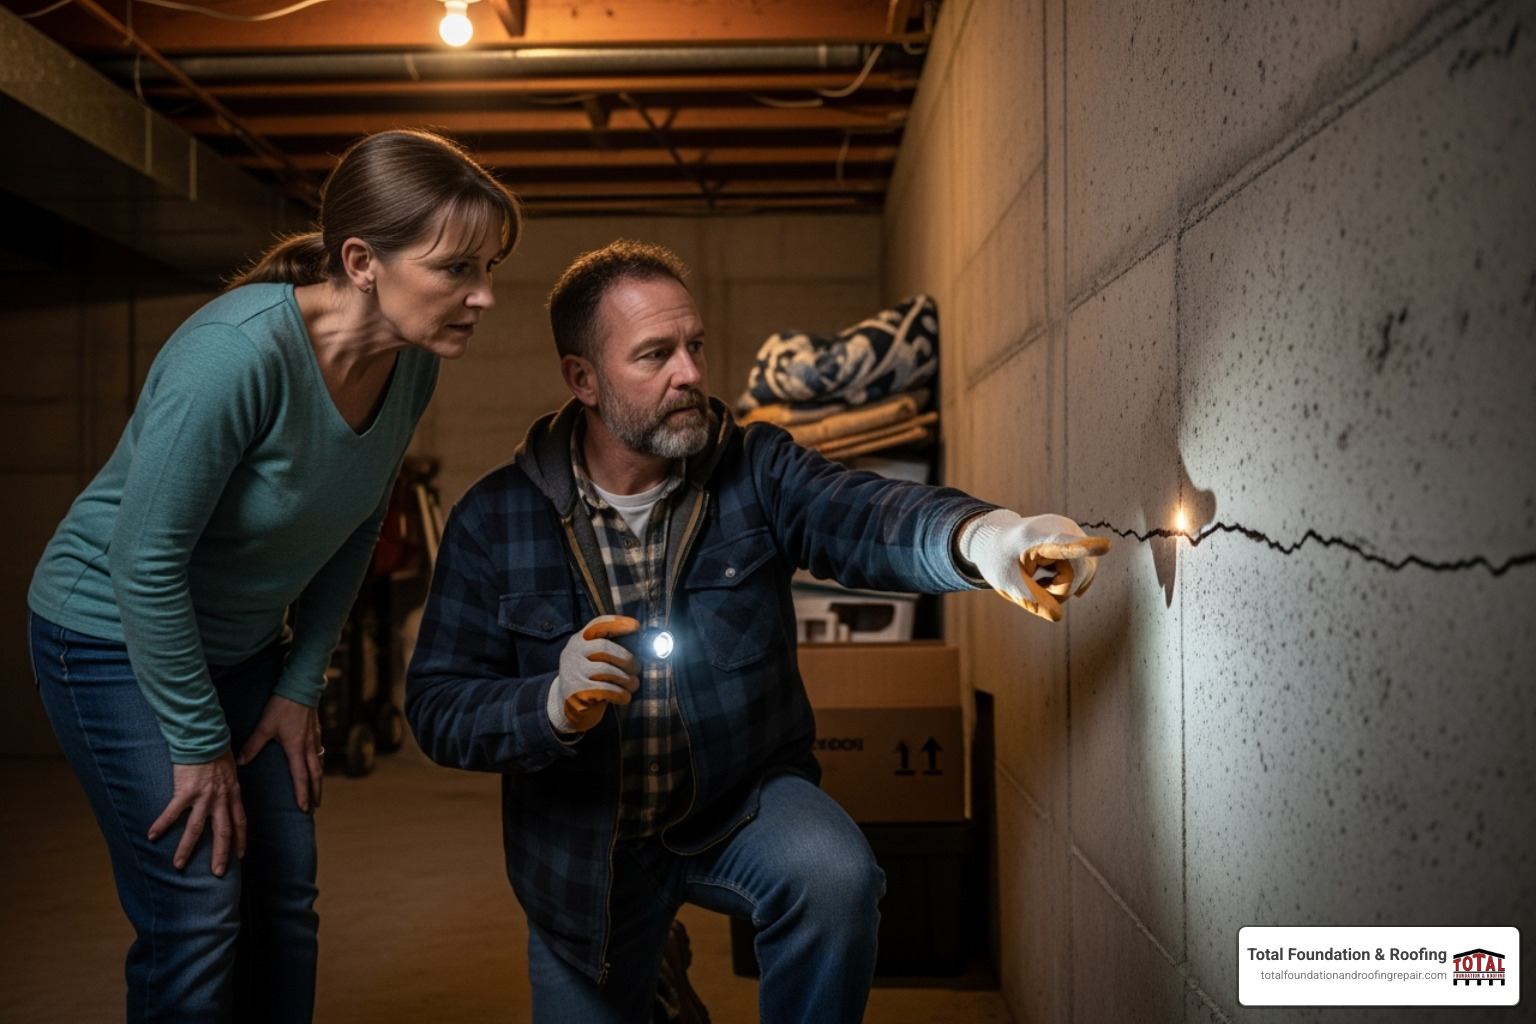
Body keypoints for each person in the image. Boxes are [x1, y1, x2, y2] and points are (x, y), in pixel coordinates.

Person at [405, 239, 1109, 1024]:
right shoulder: (493, 521)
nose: (691, 374)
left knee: (834, 878)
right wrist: (548, 705)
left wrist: (980, 539)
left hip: (739, 802)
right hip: (583, 856)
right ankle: (657, 968)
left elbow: (859, 513)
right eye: (655, 355)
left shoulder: (754, 467)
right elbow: (437, 706)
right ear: (584, 379)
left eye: (694, 345)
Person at [27, 129, 520, 1024]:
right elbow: (143, 562)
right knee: (199, 906)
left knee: (284, 899)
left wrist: (301, 684)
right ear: (364, 260)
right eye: (458, 269)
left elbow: (359, 520)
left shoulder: (410, 365)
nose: (483, 296)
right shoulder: (235, 357)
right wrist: (197, 741)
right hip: (108, 637)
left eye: (490, 267)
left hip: (246, 645)